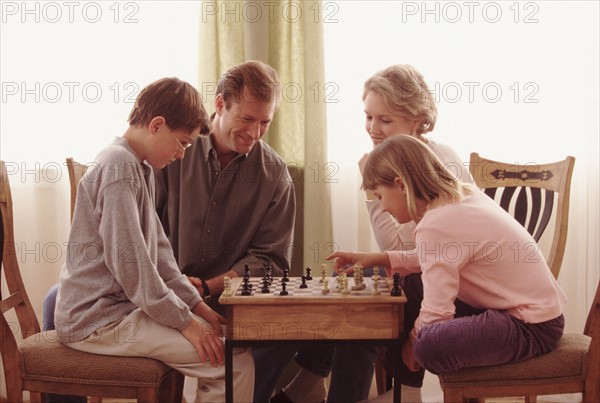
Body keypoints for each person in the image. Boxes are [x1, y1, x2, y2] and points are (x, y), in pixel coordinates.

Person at [272, 64, 472, 403]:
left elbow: (400, 247)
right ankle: (312, 378)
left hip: (454, 284)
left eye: (385, 119)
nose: (373, 129)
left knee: (363, 303)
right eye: (368, 117)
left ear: (416, 119)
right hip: (424, 270)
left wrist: (370, 189)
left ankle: (333, 387)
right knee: (353, 281)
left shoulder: (430, 163)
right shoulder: (397, 158)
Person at [54, 77, 254, 403]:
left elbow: (160, 257)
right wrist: (185, 322)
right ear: (157, 125)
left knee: (227, 346)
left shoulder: (140, 167)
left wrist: (197, 306)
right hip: (97, 322)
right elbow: (132, 267)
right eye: (183, 144)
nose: (181, 155)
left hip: (118, 313)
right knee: (233, 361)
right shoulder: (118, 168)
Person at [327, 135, 567, 402]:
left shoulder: (437, 222)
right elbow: (435, 258)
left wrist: (412, 343)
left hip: (531, 326)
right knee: (411, 285)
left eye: (381, 196)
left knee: (430, 344)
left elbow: (437, 313)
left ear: (401, 185)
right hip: (520, 311)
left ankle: (406, 388)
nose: (382, 207)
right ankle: (407, 393)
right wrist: (380, 258)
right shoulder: (459, 195)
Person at [153, 61, 297, 403]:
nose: (255, 132)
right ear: (219, 104)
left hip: (230, 304)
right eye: (247, 119)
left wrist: (207, 286)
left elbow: (272, 261)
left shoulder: (275, 176)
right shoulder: (171, 151)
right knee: (57, 301)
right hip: (159, 292)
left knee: (290, 330)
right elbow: (143, 229)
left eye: (265, 122)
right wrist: (175, 285)